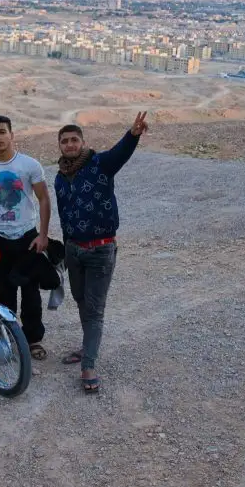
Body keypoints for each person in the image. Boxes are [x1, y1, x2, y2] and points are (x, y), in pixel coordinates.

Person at [55, 112, 148, 394]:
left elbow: (120, 154)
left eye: (74, 140)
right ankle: (87, 347)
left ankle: (89, 365)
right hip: (74, 251)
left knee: (94, 310)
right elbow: (64, 215)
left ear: (83, 142)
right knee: (81, 300)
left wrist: (133, 134)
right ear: (59, 146)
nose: (70, 145)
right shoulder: (60, 176)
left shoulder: (99, 164)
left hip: (100, 250)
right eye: (64, 141)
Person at [0, 115, 52, 360]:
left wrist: (43, 234)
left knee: (30, 292)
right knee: (3, 291)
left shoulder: (29, 165)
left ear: (11, 134)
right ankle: (6, 334)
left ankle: (33, 340)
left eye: (1, 132)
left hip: (27, 237)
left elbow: (43, 199)